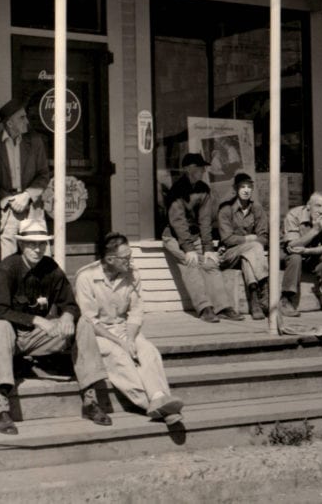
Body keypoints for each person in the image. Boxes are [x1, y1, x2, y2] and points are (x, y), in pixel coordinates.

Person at [0, 218, 111, 435]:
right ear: (21, 245)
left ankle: (90, 400)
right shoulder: (8, 268)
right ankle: (2, 406)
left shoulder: (51, 268)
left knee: (83, 323)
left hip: (30, 337)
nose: (37, 249)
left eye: (42, 244)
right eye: (32, 244)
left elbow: (70, 304)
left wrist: (67, 315)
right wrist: (38, 320)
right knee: (2, 326)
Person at [75, 232, 184, 426]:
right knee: (120, 358)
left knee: (148, 351)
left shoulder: (132, 274)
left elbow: (135, 312)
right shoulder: (86, 278)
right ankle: (151, 404)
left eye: (130, 255)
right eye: (125, 258)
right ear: (110, 259)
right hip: (97, 334)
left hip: (124, 329)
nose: (130, 260)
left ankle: (160, 397)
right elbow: (90, 321)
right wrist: (121, 343)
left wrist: (131, 339)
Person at [162, 154, 243, 323]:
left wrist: (208, 248)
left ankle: (222, 307)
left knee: (210, 264)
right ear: (188, 169)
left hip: (194, 236)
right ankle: (205, 308)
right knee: (190, 263)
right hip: (175, 237)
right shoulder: (176, 190)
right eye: (198, 167)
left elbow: (204, 221)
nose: (202, 171)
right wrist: (189, 249)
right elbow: (178, 222)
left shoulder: (204, 189)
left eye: (203, 167)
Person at [0, 99, 50, 258]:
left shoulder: (35, 142)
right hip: (7, 210)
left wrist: (27, 195)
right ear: (9, 123)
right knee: (8, 260)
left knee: (39, 257)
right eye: (22, 118)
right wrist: (7, 200)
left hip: (32, 207)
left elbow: (44, 174)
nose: (27, 121)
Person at [280, 191, 322, 316]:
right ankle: (286, 299)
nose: (321, 211)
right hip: (286, 255)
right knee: (296, 257)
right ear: (309, 205)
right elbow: (292, 246)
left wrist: (308, 251)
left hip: (308, 254)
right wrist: (315, 230)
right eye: (318, 206)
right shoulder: (294, 215)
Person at [217, 172, 269, 320]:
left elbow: (264, 237)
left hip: (248, 255)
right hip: (229, 254)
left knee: (249, 256)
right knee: (254, 247)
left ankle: (254, 300)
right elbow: (227, 239)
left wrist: (251, 241)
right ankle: (264, 292)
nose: (246, 190)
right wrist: (248, 238)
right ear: (235, 189)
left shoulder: (257, 209)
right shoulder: (226, 209)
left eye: (249, 187)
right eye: (242, 187)